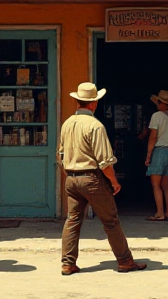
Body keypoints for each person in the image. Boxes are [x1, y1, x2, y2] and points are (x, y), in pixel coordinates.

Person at [58, 82, 147, 276]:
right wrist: (114, 182)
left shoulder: (67, 124)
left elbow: (61, 155)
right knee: (111, 220)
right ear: (93, 104)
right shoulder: (95, 126)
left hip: (71, 177)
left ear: (77, 102)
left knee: (72, 220)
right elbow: (105, 161)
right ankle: (125, 261)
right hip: (91, 178)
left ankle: (67, 263)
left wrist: (70, 175)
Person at [145, 90, 168, 221]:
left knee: (156, 184)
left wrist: (149, 155)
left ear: (160, 103)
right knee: (166, 184)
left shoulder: (157, 116)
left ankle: (159, 212)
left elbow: (153, 137)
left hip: (160, 151)